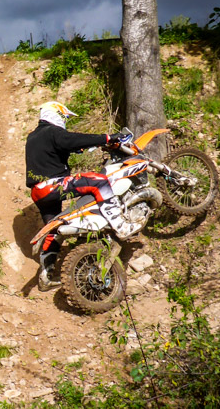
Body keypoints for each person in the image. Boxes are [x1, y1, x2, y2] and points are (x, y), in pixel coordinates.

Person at [25, 101, 139, 291]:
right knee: (98, 180)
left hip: (38, 192)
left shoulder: (34, 136)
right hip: (52, 186)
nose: (65, 122)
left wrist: (77, 148)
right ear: (57, 115)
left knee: (53, 231)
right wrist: (108, 138)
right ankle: (121, 225)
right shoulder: (52, 132)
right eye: (64, 118)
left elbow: (58, 148)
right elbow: (72, 139)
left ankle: (45, 277)